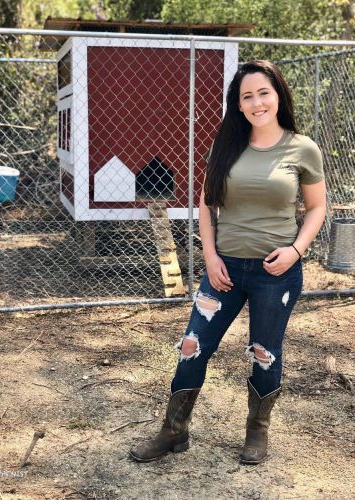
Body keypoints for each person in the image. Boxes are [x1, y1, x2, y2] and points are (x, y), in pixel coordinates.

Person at [130, 60, 326, 464]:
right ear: (238, 105)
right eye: (247, 96)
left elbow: (317, 207)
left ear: (278, 96)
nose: (257, 103)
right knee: (192, 346)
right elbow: (206, 206)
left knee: (265, 352)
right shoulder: (225, 147)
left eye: (263, 93)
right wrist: (211, 256)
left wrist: (295, 251)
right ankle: (174, 430)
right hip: (225, 270)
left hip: (277, 273)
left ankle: (257, 431)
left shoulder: (303, 148)